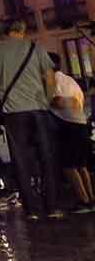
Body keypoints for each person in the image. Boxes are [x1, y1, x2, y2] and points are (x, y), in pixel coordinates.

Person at [0, 19, 60, 220]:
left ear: (5, 32)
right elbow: (50, 77)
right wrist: (48, 100)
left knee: (21, 162)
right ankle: (52, 208)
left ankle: (32, 211)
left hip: (14, 113)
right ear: (23, 30)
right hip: (39, 109)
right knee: (46, 158)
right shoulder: (36, 48)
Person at [49, 53, 93, 213]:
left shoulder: (54, 81)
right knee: (81, 165)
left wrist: (45, 100)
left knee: (69, 166)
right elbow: (79, 100)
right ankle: (90, 199)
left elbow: (60, 102)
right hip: (81, 124)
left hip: (69, 126)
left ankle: (84, 201)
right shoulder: (70, 80)